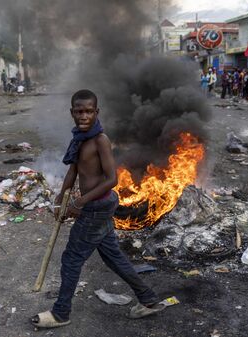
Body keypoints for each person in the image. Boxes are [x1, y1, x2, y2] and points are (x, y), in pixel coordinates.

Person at [32, 90, 163, 329]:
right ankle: (149, 300)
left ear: (96, 112)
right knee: (113, 256)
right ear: (72, 113)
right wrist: (61, 197)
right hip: (96, 205)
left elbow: (112, 179)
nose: (84, 116)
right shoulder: (79, 138)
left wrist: (79, 203)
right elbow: (73, 170)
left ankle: (61, 313)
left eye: (89, 111)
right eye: (79, 111)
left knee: (71, 259)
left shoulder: (100, 140)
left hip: (96, 206)